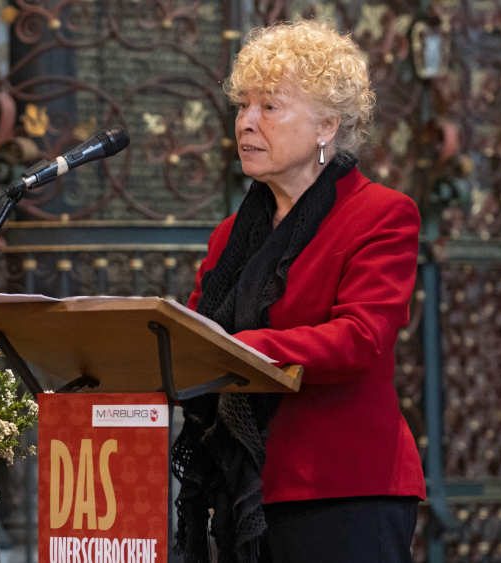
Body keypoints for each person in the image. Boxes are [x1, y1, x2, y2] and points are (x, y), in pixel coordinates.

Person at [172, 20, 426, 563]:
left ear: (326, 126)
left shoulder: (380, 214)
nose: (246, 123)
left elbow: (362, 338)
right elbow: (193, 345)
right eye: (243, 106)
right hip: (244, 490)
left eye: (270, 107)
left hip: (344, 490)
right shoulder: (229, 238)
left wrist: (240, 349)